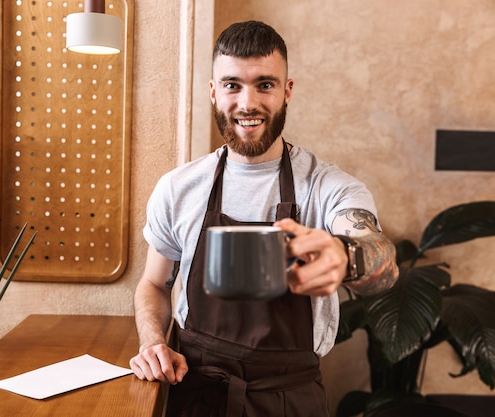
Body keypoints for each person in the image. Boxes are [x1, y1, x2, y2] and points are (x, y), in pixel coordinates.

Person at [129, 20, 399, 417]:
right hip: (195, 392)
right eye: (232, 85)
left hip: (290, 398)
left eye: (265, 85)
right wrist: (153, 341)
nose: (248, 102)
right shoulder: (179, 188)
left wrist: (347, 257)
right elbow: (154, 283)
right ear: (213, 92)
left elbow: (382, 261)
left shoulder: (327, 188)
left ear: (287, 91)